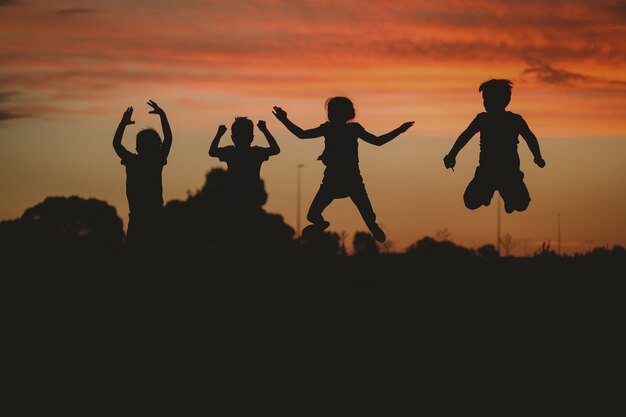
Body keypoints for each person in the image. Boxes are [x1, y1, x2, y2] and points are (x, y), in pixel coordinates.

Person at [272, 97, 413, 242]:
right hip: (340, 180)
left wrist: (284, 120)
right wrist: (400, 130)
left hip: (343, 180)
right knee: (317, 215)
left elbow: (302, 134)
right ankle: (367, 224)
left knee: (318, 215)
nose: (330, 114)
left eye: (332, 111)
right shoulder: (340, 129)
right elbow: (378, 141)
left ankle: (367, 224)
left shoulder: (343, 129)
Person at [443, 79, 546, 213]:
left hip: (509, 172)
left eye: (489, 99)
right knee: (470, 202)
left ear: (504, 100)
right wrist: (452, 154)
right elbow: (465, 136)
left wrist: (537, 157)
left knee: (522, 204)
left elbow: (530, 138)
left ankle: (508, 199)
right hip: (487, 172)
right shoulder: (482, 119)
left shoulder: (514, 120)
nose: (486, 103)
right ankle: (487, 194)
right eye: (484, 99)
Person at [112, 100, 172, 247]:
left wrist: (123, 124)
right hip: (156, 219)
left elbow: (116, 144)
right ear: (157, 147)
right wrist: (162, 115)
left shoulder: (132, 161)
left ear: (138, 147)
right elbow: (169, 139)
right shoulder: (156, 160)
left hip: (137, 220)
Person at [209, 117, 280, 211]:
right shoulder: (256, 153)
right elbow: (275, 149)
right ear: (251, 137)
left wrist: (219, 134)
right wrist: (264, 130)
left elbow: (212, 151)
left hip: (233, 198)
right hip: (252, 199)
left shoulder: (231, 152)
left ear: (233, 138)